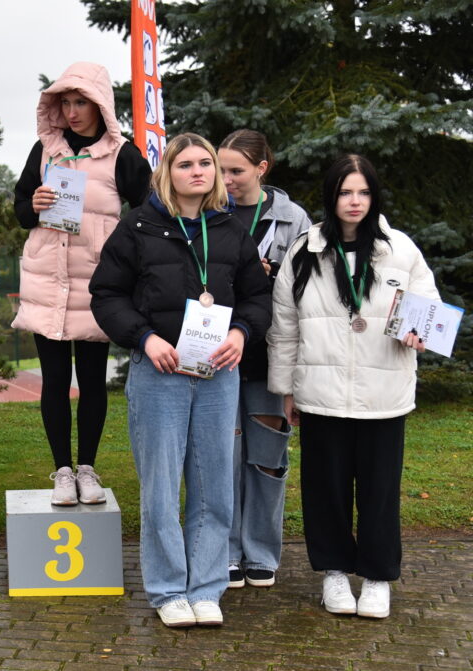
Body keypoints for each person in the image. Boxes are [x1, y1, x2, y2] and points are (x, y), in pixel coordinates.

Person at [89, 133, 271, 627]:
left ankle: (206, 587)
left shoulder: (231, 229)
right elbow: (106, 295)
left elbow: (258, 297)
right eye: (185, 164)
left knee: (214, 487)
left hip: (217, 374)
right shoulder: (138, 227)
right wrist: (145, 338)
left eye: (205, 163)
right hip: (160, 374)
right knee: (161, 489)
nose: (198, 172)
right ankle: (168, 588)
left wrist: (241, 332)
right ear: (167, 172)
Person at [267, 154, 437, 619]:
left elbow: (429, 310)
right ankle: (335, 573)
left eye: (363, 192)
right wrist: (286, 388)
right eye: (345, 192)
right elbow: (284, 327)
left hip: (384, 396)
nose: (355, 201)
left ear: (374, 196)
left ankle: (378, 578)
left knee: (380, 492)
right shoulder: (304, 251)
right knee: (327, 490)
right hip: (321, 393)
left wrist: (419, 333)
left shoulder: (400, 250)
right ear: (331, 196)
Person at [12, 61, 152, 506]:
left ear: (100, 105)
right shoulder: (44, 149)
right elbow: (20, 210)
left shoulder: (123, 154)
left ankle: (88, 468)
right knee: (54, 381)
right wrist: (34, 204)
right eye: (66, 102)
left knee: (92, 381)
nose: (72, 112)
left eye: (81, 103)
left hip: (98, 285)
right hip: (47, 282)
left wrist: (119, 245)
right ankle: (62, 471)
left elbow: (149, 210)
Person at [217, 129, 312, 589]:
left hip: (270, 354)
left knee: (267, 457)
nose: (226, 180)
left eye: (236, 171)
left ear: (261, 169)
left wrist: (270, 279)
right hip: (219, 351)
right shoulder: (208, 210)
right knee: (225, 454)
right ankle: (226, 551)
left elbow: (310, 288)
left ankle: (261, 552)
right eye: (220, 169)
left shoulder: (294, 219)